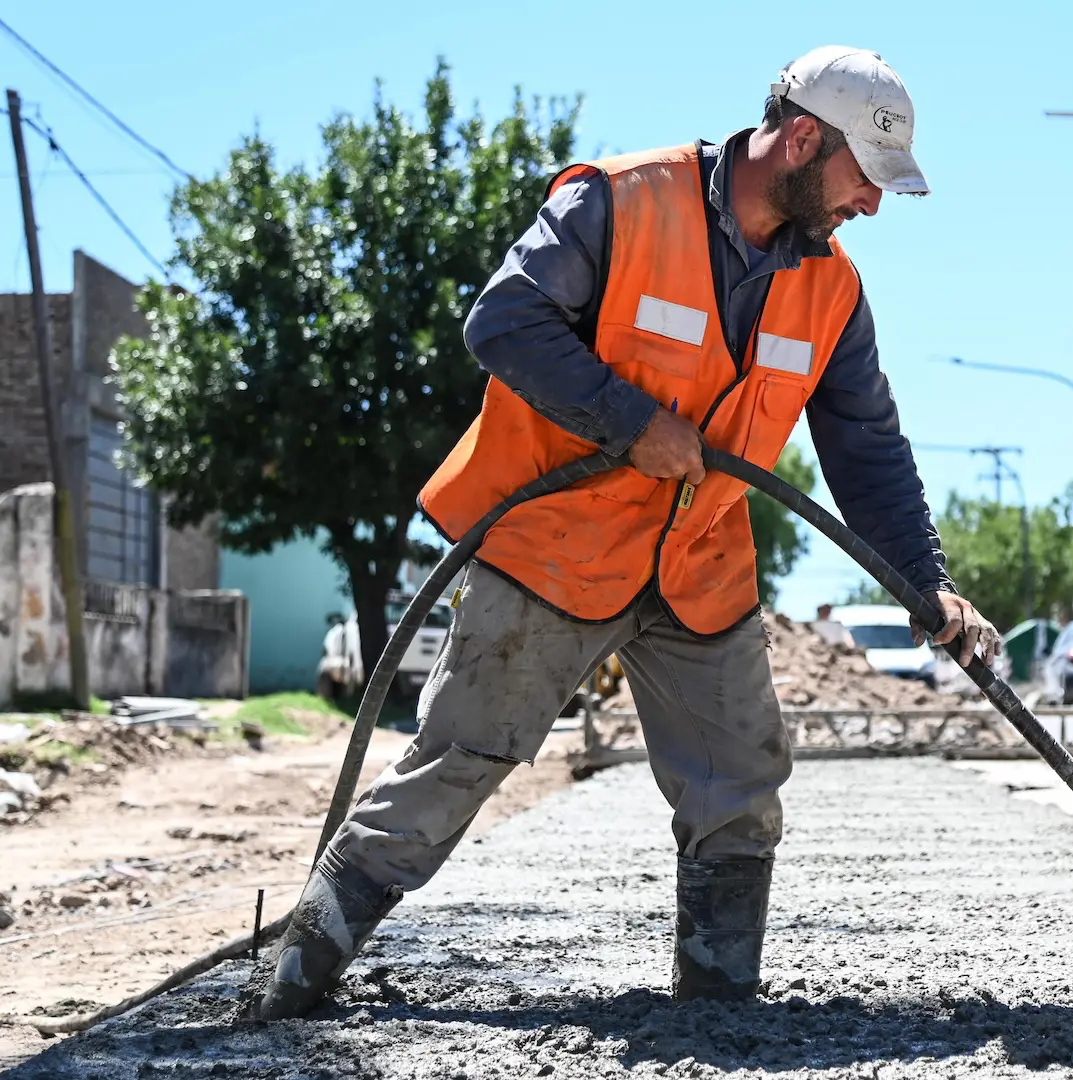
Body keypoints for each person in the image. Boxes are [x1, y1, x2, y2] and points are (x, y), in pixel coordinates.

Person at [255, 46, 1000, 1018]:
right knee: (457, 765)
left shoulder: (831, 291)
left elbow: (866, 449)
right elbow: (505, 322)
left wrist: (924, 583)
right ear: (803, 137)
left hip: (700, 565)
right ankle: (291, 987)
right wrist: (630, 422)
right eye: (865, 175)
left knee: (740, 783)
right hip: (553, 551)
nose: (872, 203)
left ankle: (721, 1007)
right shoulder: (620, 202)